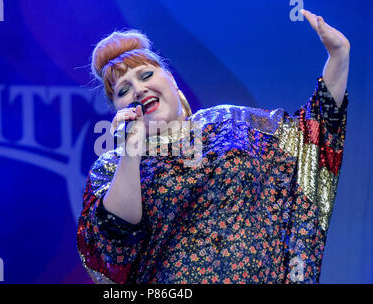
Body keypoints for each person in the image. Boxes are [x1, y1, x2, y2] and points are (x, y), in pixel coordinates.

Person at [77, 9, 350, 284]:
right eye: (123, 90)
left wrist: (338, 57)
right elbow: (113, 240)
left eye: (146, 75)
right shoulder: (113, 165)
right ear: (117, 110)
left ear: (171, 82)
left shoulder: (230, 122)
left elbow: (308, 136)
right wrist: (131, 152)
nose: (138, 90)